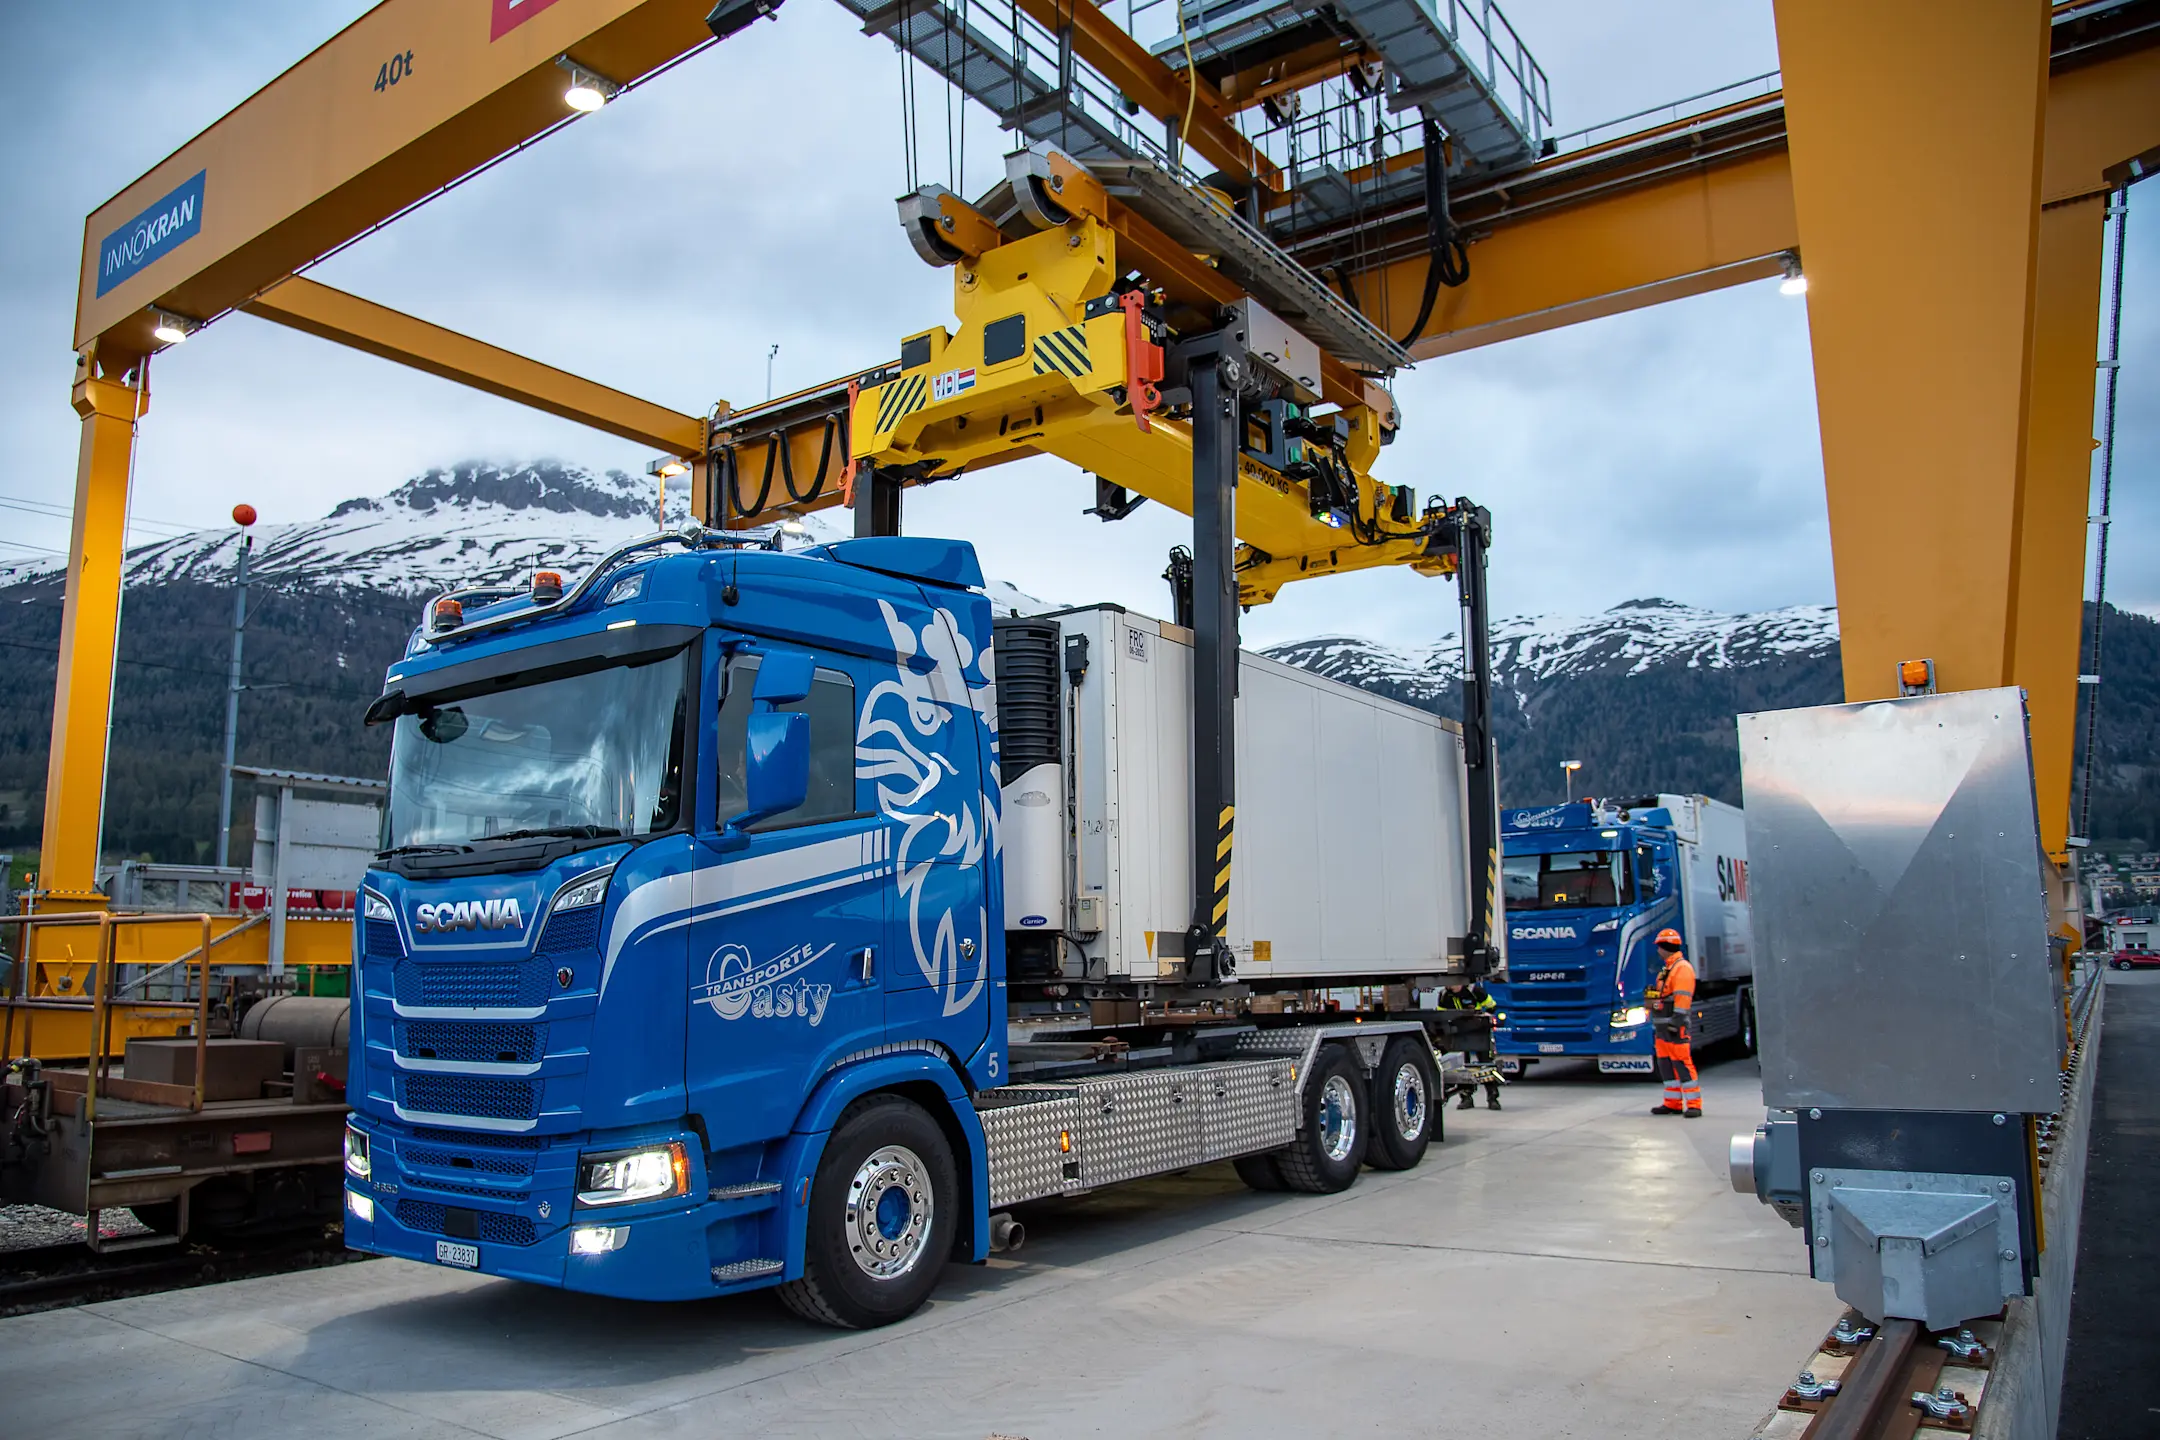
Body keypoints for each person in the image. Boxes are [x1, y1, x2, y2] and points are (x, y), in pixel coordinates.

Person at [1646, 928, 1701, 1117]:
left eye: (1659, 947)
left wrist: (1676, 1023)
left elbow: (1682, 999)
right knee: (1666, 1065)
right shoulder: (1668, 968)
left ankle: (1694, 1104)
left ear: (1664, 947)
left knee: (1682, 1064)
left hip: (1674, 1027)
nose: (1657, 951)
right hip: (1662, 1027)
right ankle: (1672, 1103)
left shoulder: (1682, 968)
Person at [1438, 981, 1503, 1110]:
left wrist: (1484, 1015)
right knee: (1462, 1067)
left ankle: (1492, 1097)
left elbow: (1492, 1006)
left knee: (1486, 1064)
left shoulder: (1475, 991)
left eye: (1455, 983)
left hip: (1479, 1032)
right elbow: (1441, 1014)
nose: (1452, 986)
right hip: (1459, 1033)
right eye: (1450, 984)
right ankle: (1466, 1097)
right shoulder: (1444, 995)